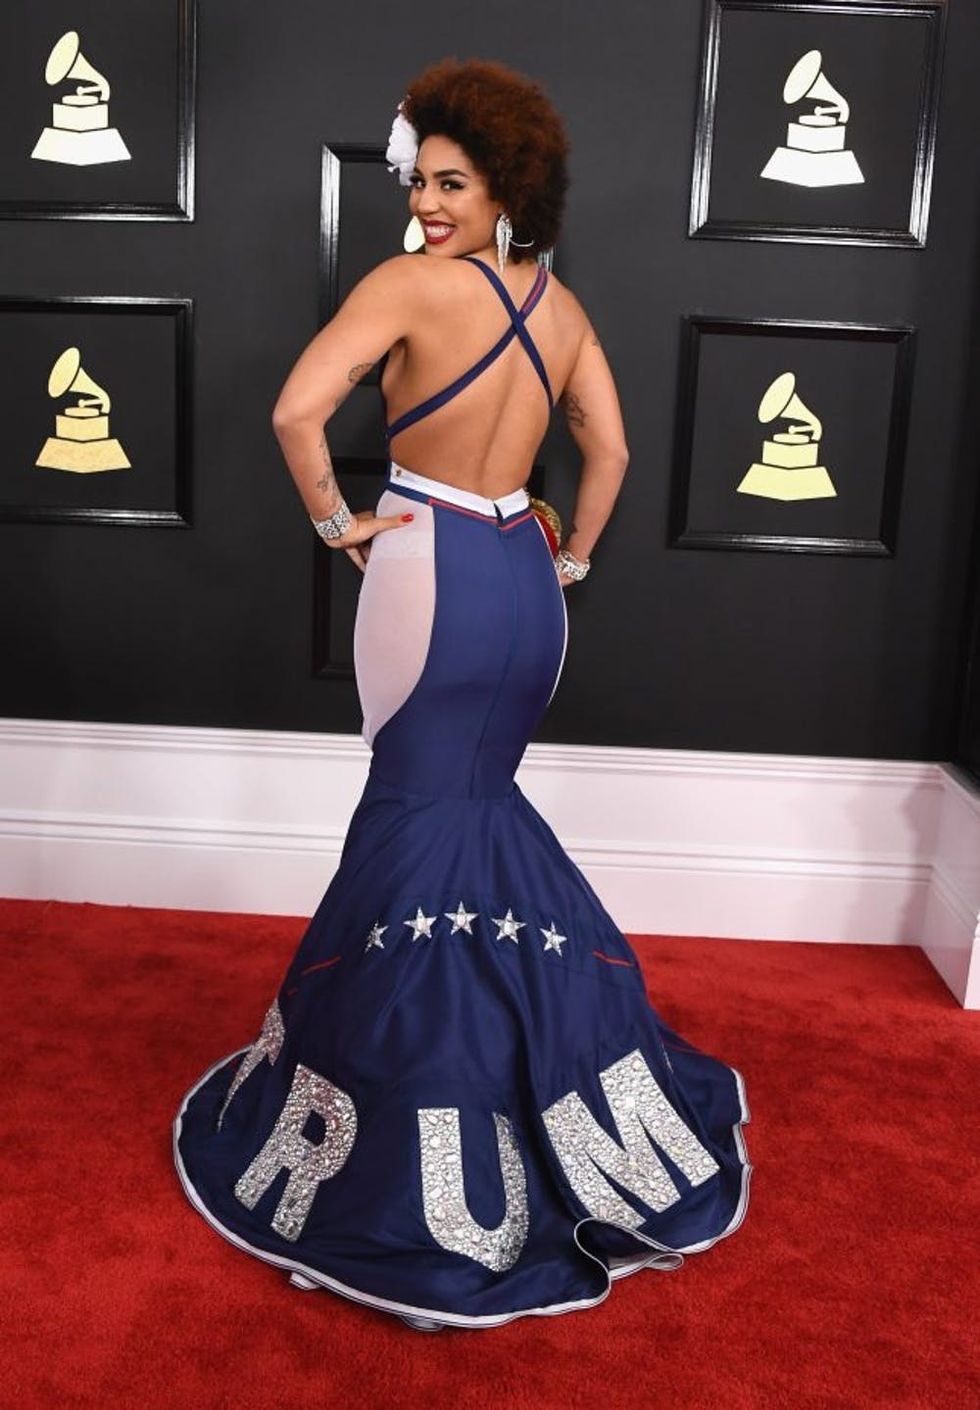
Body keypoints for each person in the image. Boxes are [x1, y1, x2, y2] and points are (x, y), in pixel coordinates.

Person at [173, 57, 752, 1333]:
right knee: (477, 810)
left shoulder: (402, 287)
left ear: (506, 188)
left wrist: (339, 527)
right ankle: (526, 1069)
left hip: (425, 561)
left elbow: (295, 412)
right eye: (421, 180)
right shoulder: (566, 309)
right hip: (523, 584)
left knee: (406, 815)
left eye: (454, 181)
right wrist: (573, 558)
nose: (430, 202)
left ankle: (405, 1111)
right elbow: (607, 454)